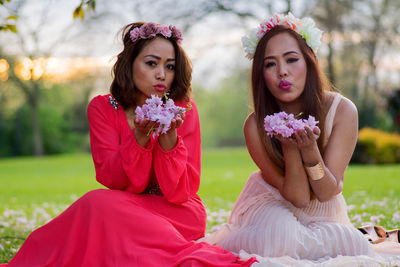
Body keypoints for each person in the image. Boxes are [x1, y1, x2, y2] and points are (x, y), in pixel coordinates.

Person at [2, 22, 257, 267]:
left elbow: (182, 192)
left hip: (178, 214)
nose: (162, 75)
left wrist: (169, 139)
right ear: (129, 64)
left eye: (170, 66)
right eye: (151, 63)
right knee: (99, 204)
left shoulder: (183, 110)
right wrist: (139, 139)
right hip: (121, 210)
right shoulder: (103, 108)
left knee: (99, 206)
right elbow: (111, 179)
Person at [199, 13, 400, 265]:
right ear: (261, 73)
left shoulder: (342, 110)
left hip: (323, 210)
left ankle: (314, 242)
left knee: (354, 245)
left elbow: (326, 192)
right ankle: (262, 239)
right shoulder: (254, 125)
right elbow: (298, 198)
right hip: (272, 206)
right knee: (281, 237)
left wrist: (310, 150)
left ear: (311, 60)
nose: (282, 72)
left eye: (291, 59)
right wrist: (290, 147)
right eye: (270, 64)